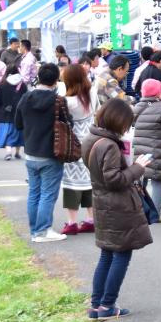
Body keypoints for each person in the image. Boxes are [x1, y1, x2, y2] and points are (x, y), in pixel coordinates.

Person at [84, 98, 153, 319]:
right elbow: (114, 179)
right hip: (118, 205)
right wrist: (137, 168)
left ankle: (97, 305)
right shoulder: (110, 145)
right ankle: (108, 304)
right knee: (121, 254)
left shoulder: (91, 139)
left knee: (107, 254)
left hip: (102, 203)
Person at [16, 63, 67, 242]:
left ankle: (34, 230)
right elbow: (68, 125)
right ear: (55, 80)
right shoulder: (58, 101)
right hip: (51, 153)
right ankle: (43, 231)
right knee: (47, 194)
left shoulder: (26, 98)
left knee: (34, 193)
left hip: (30, 152)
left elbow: (18, 124)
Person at [60, 63, 98, 236]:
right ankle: (91, 219)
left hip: (73, 145)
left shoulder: (67, 101)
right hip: (91, 142)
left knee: (72, 184)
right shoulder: (92, 93)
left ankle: (72, 222)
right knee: (90, 181)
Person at [132, 79, 161, 219]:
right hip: (157, 149)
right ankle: (155, 213)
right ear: (159, 92)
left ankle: (140, 211)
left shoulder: (137, 107)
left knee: (140, 180)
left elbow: (132, 123)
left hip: (139, 150)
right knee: (158, 180)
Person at [0, 64, 27, 160]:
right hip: (20, 113)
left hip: (6, 113)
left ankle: (8, 151)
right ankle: (17, 152)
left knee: (7, 133)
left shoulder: (3, 84)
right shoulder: (22, 84)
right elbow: (26, 98)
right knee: (19, 133)